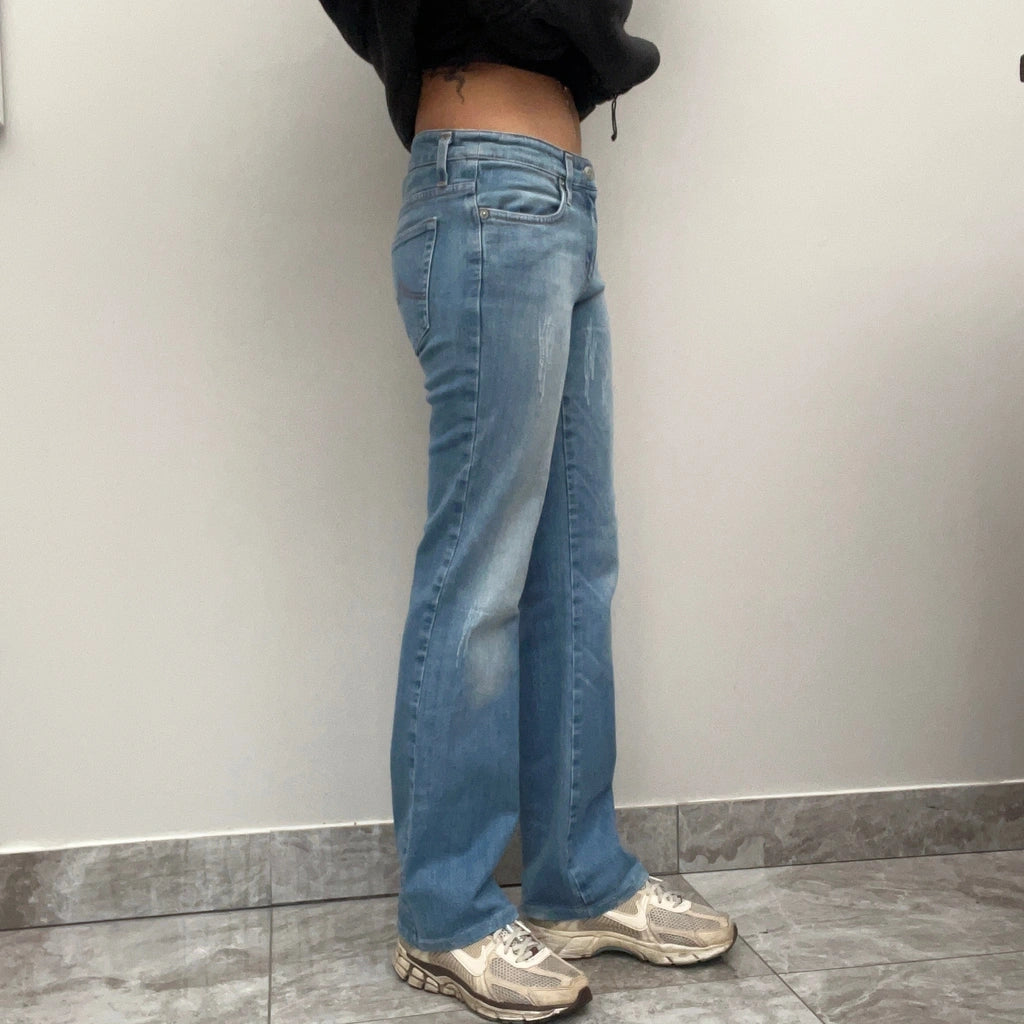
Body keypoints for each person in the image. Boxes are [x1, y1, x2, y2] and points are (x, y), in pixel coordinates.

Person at [316, 2, 737, 1019]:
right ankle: (444, 913)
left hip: (558, 194)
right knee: (481, 577)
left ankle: (579, 879)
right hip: (485, 186)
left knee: (574, 568)